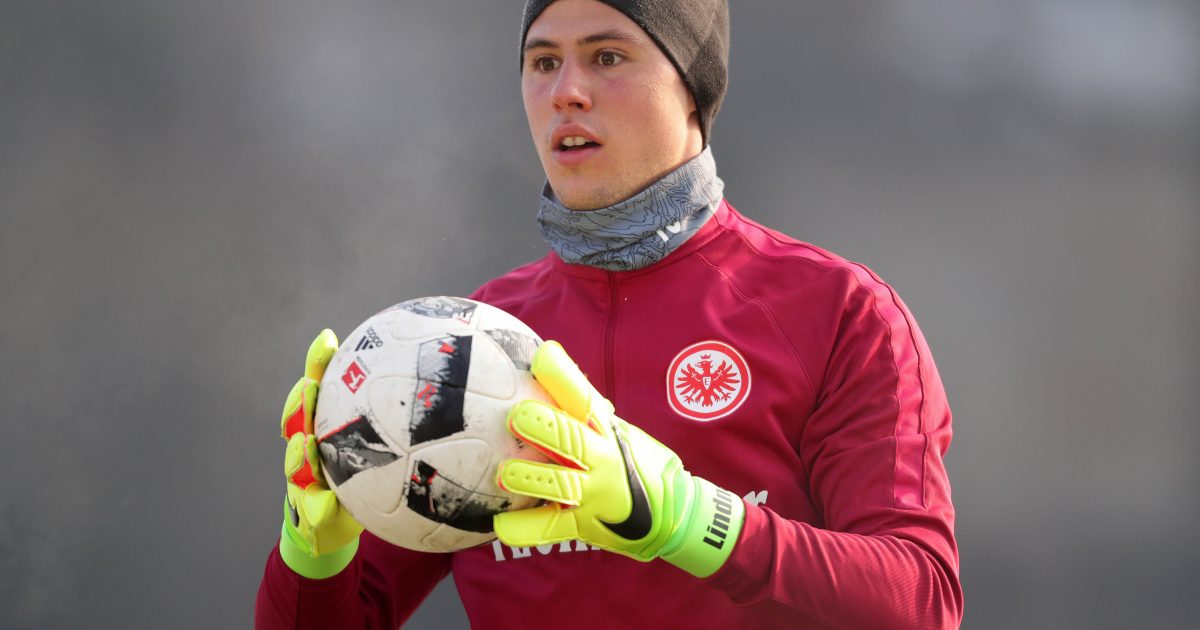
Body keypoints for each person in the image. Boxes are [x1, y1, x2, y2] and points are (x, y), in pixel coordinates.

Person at [256, 0, 963, 627]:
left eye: (607, 56)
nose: (566, 92)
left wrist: (686, 520)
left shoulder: (838, 311)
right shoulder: (471, 347)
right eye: (542, 62)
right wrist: (314, 551)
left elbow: (921, 601)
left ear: (692, 86)